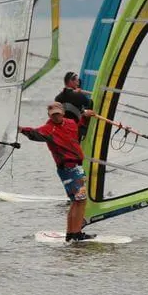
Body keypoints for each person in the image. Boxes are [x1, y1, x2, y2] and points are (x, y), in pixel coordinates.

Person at [20, 102, 96, 242]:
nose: (56, 117)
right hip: (68, 168)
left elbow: (80, 132)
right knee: (81, 201)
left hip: (77, 167)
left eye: (58, 113)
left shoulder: (71, 123)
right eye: (53, 114)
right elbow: (33, 133)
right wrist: (19, 129)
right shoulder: (48, 130)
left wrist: (86, 117)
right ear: (49, 115)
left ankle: (71, 234)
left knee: (76, 201)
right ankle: (76, 233)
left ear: (62, 112)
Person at [54, 71, 92, 140]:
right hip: (76, 131)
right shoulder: (78, 96)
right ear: (71, 82)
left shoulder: (58, 98)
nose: (78, 83)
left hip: (63, 131)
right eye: (77, 81)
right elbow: (89, 103)